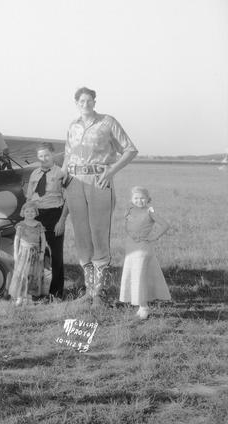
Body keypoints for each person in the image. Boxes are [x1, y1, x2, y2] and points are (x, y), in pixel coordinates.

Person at [61, 87, 138, 308]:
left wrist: (110, 172)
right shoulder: (73, 126)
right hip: (75, 182)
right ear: (76, 103)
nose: (85, 103)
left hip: (99, 180)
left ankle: (100, 293)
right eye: (81, 100)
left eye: (89, 100)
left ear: (95, 101)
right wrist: (62, 176)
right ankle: (88, 290)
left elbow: (130, 150)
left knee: (98, 233)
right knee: (82, 235)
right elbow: (68, 154)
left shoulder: (108, 122)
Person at [24, 142, 69, 299]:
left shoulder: (61, 173)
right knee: (35, 254)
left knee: (56, 255)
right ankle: (36, 291)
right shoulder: (34, 174)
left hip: (54, 215)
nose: (44, 159)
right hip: (36, 216)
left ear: (53, 154)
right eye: (40, 156)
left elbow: (67, 199)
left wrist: (61, 220)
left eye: (47, 155)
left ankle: (56, 293)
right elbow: (29, 198)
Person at [119, 187, 171, 319]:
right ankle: (139, 304)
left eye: (142, 198)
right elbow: (127, 226)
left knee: (140, 276)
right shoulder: (129, 210)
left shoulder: (150, 211)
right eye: (136, 198)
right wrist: (132, 235)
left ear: (148, 199)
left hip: (143, 248)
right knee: (133, 274)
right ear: (131, 199)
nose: (139, 201)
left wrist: (153, 237)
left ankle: (144, 306)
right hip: (131, 246)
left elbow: (165, 225)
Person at [8, 201, 49, 306]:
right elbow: (17, 239)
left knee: (33, 275)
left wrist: (42, 252)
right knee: (23, 275)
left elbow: (43, 240)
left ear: (36, 213)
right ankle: (20, 297)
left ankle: (30, 297)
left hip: (35, 253)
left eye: (32, 211)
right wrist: (15, 253)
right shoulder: (21, 225)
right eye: (27, 211)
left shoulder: (38, 225)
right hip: (24, 253)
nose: (30, 213)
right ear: (23, 212)